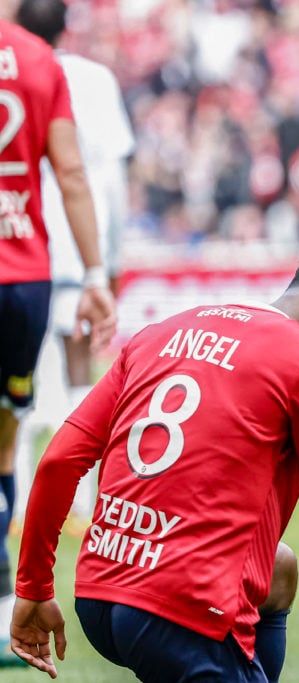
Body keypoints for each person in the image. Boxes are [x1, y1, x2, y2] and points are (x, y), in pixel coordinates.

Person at [11, 236, 299, 680]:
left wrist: (33, 589)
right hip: (183, 612)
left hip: (99, 597)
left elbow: (58, 462)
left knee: (279, 568)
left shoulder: (160, 333)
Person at [0, 1, 117, 664]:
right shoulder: (38, 60)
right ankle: (1, 603)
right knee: (7, 431)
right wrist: (96, 271)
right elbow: (69, 172)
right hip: (20, 275)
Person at [11, 0, 135, 538]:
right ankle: (82, 504)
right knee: (83, 377)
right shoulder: (95, 79)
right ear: (66, 24)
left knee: (14, 389)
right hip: (80, 240)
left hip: (25, 241)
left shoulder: (20, 65)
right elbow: (105, 174)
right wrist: (106, 260)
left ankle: (15, 506)